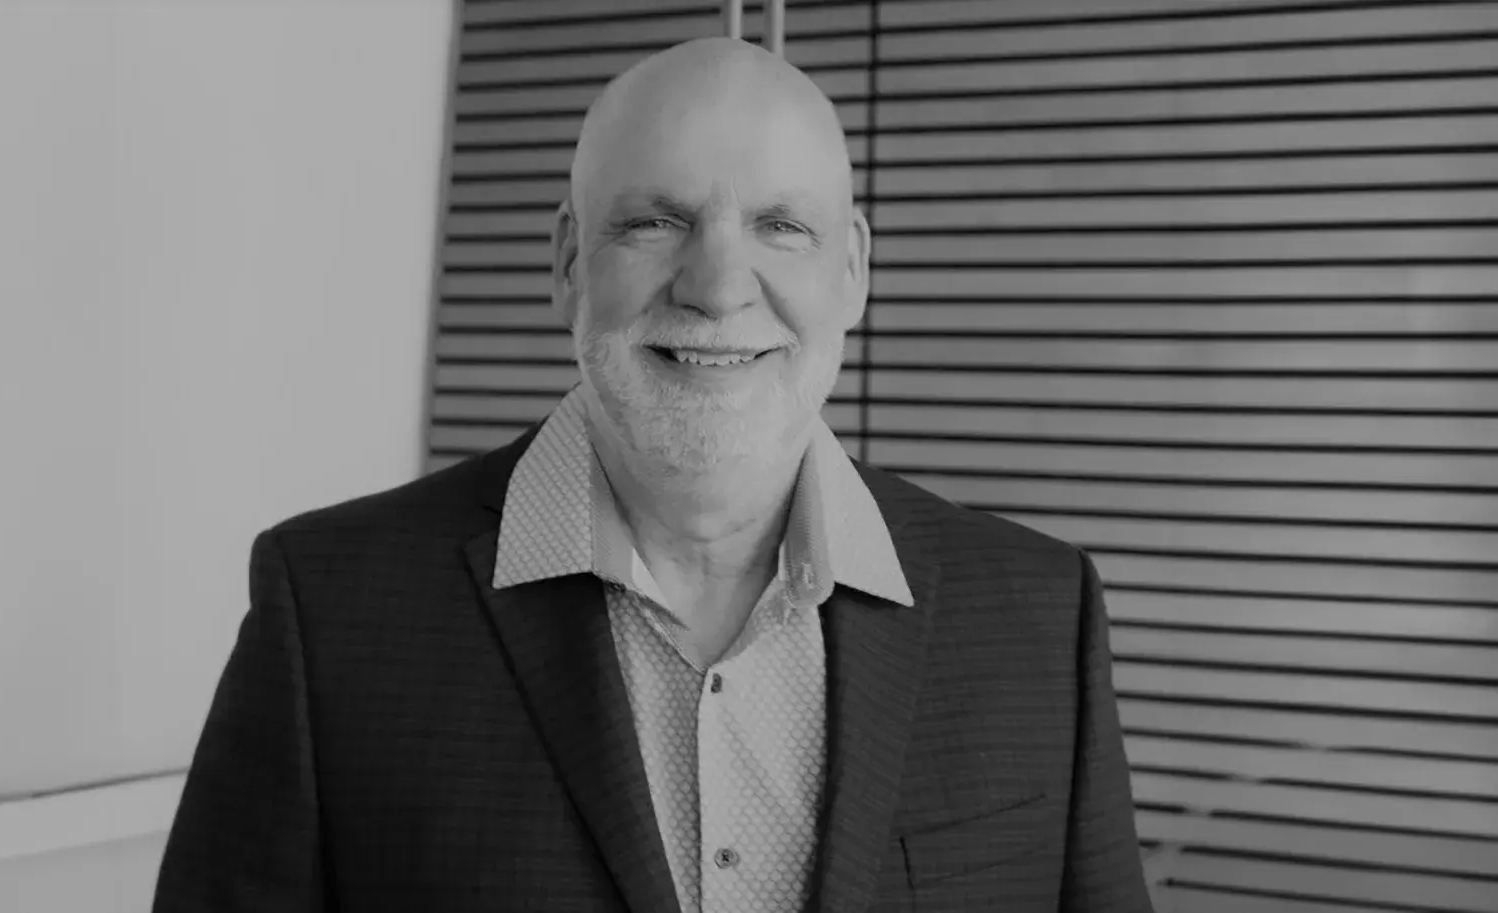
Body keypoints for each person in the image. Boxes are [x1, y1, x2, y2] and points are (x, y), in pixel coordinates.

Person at [152, 37, 1153, 913]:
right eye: (653, 222)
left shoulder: (1036, 614)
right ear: (566, 261)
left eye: (780, 226)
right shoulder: (328, 610)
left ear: (851, 271)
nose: (717, 285)